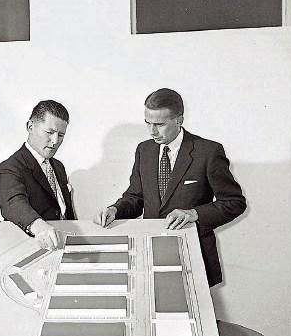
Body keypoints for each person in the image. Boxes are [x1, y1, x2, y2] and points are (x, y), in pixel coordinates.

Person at [95, 88, 245, 287]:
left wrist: (194, 214)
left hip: (192, 254)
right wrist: (115, 209)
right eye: (147, 123)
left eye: (159, 124)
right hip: (150, 253)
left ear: (179, 120)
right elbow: (136, 197)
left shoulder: (208, 151)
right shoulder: (144, 150)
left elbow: (234, 203)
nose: (152, 131)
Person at [0, 100, 76, 249]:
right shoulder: (9, 168)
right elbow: (13, 203)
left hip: (62, 246)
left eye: (61, 135)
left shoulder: (58, 166)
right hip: (32, 249)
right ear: (30, 127)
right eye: (50, 132)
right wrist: (38, 226)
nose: (55, 141)